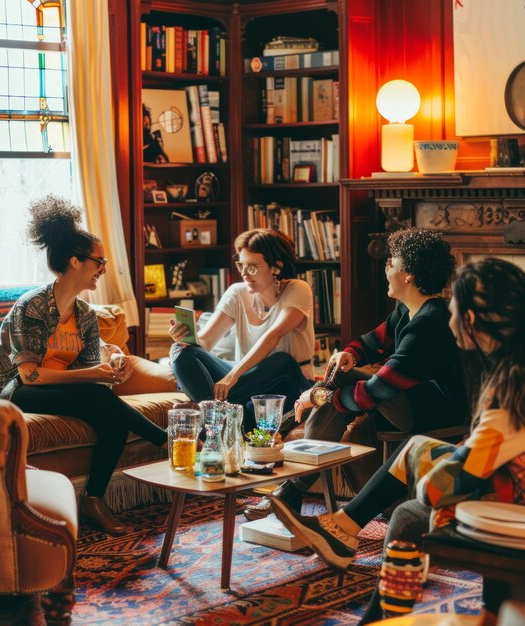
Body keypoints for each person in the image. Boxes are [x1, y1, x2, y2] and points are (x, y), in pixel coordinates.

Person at [270, 257, 525, 624]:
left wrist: (427, 486)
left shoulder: (507, 388)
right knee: (414, 448)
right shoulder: (508, 363)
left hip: (512, 500)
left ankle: (377, 616)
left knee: (409, 512)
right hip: (504, 472)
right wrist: (352, 354)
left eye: (455, 312)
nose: (450, 321)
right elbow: (489, 449)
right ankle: (341, 527)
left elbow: (455, 477)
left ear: (470, 322)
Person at [0, 195, 167, 536]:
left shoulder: (84, 314)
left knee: (111, 418)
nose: (103, 268)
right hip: (11, 392)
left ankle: (93, 500)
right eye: (99, 261)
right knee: (99, 401)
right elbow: (28, 375)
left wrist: (115, 365)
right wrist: (95, 375)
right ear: (75, 261)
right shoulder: (33, 307)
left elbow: (92, 371)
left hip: (55, 390)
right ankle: (164, 440)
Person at [269, 228, 469, 513]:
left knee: (342, 381)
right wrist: (349, 353)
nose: (386, 267)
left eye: (392, 262)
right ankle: (294, 483)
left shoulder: (429, 322)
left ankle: (293, 478)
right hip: (411, 401)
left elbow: (376, 392)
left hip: (435, 412)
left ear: (409, 274)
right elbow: (370, 342)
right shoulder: (407, 311)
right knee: (341, 372)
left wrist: (319, 398)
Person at [169, 228, 315, 432]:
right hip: (247, 384)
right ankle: (216, 413)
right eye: (242, 265)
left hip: (289, 384)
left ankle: (207, 411)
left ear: (276, 267)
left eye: (253, 267)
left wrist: (233, 376)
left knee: (282, 360)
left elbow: (274, 336)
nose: (244, 273)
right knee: (180, 351)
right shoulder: (237, 293)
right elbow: (206, 342)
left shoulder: (298, 289)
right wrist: (185, 336)